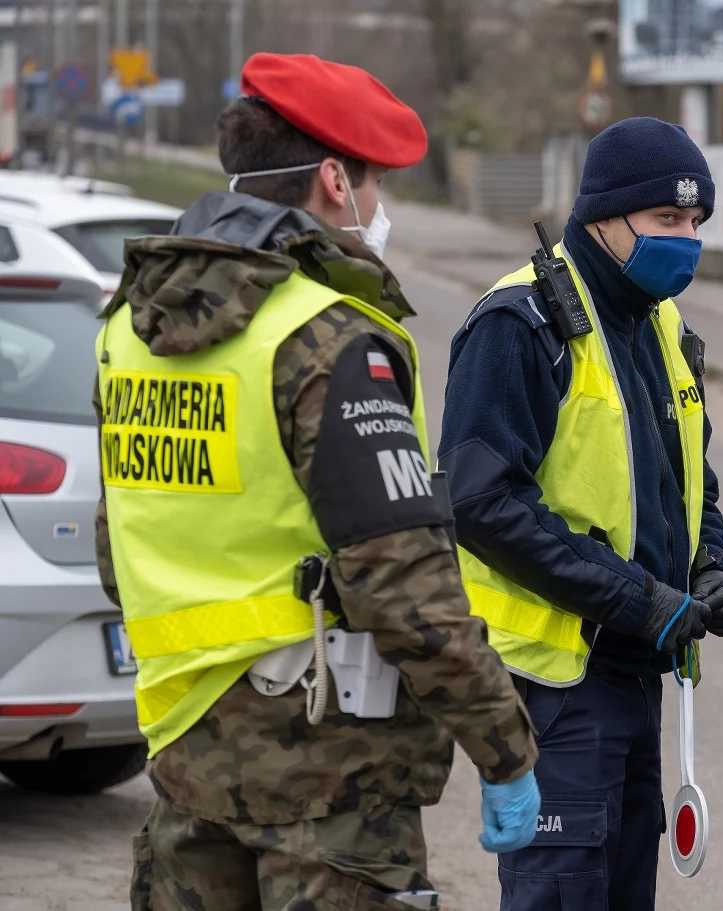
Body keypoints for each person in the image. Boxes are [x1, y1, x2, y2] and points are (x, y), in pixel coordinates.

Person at [94, 53, 539, 910]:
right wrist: (503, 747)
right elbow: (402, 582)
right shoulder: (328, 340)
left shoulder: (130, 327)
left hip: (186, 753)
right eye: (374, 185)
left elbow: (122, 548)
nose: (380, 209)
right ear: (335, 179)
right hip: (330, 784)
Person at [438, 117, 723, 909]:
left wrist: (712, 564)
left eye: (696, 223)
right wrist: (636, 598)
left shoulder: (664, 323)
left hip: (640, 676)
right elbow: (481, 501)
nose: (687, 240)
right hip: (558, 687)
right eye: (667, 221)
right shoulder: (520, 321)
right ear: (604, 217)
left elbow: (689, 478)